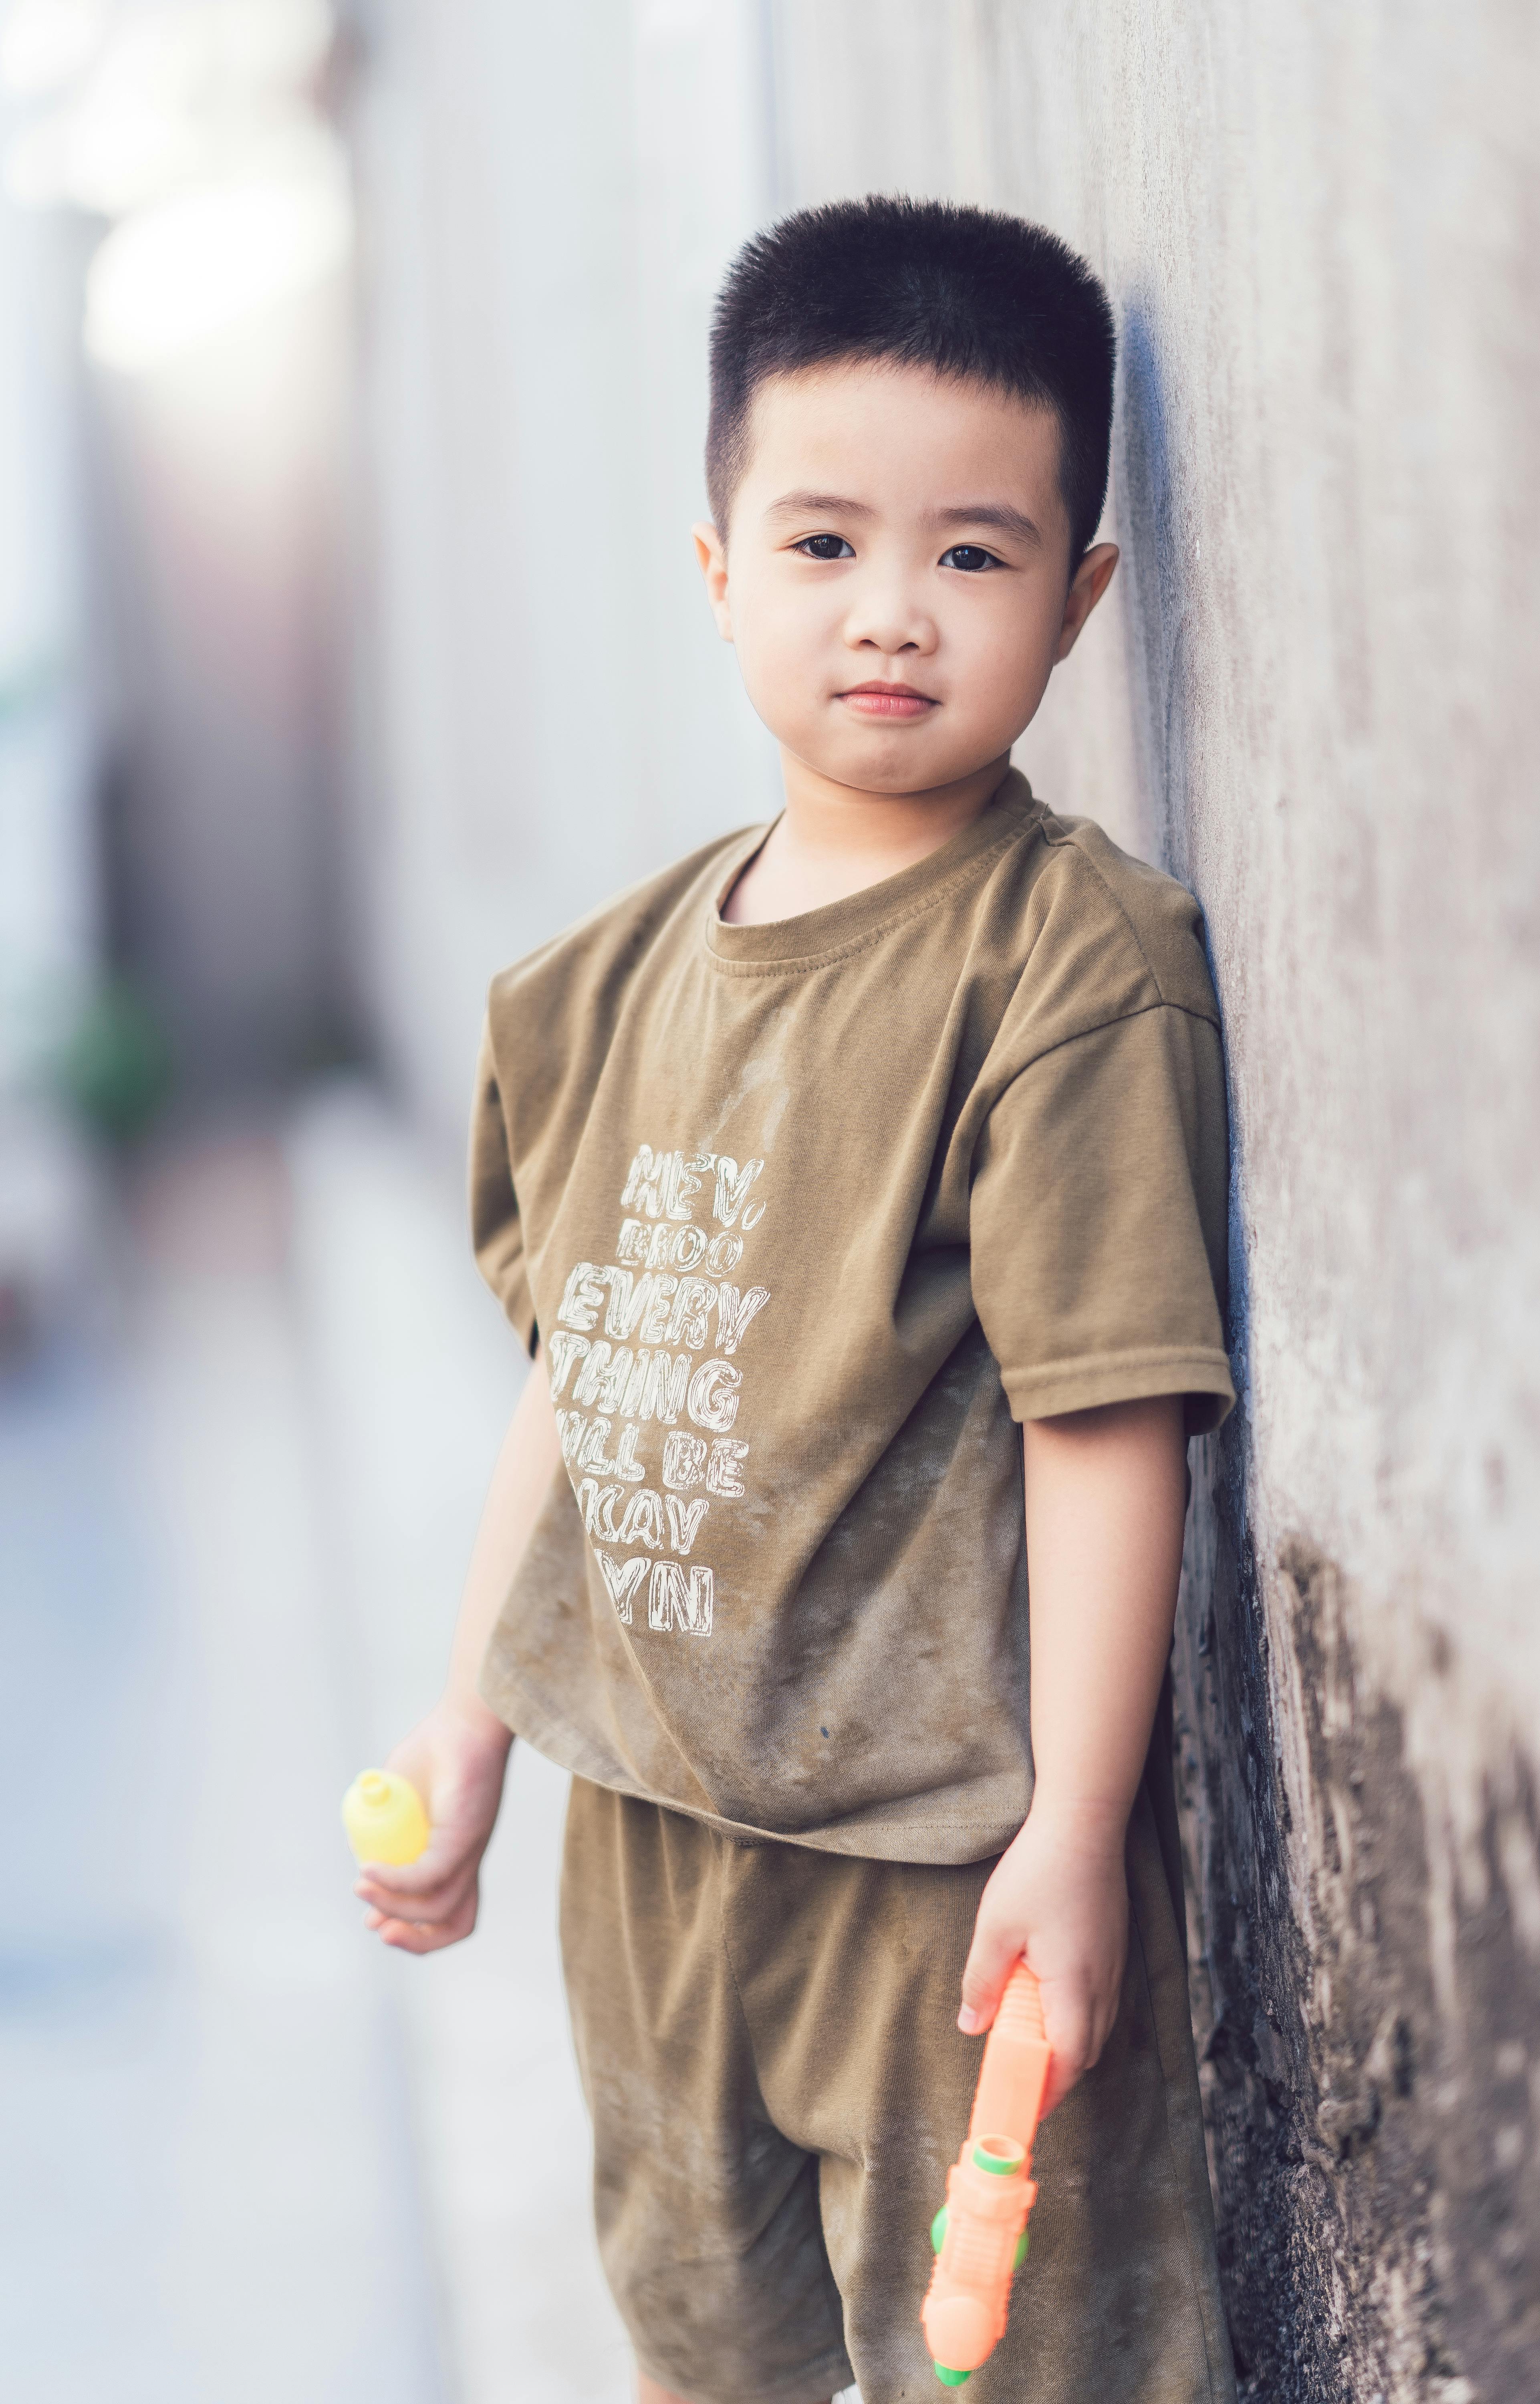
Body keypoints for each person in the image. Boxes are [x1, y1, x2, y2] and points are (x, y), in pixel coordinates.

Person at [355, 196, 1238, 2404]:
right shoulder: (607, 981)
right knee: (701, 2359)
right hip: (651, 1856)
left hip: (942, 1884)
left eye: (973, 554)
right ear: (719, 567)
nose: (892, 612)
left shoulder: (1063, 968)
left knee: (1010, 2363)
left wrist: (1074, 1834)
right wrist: (471, 1723)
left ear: (1079, 602)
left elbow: (1104, 1419)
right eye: (825, 541)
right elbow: (585, 1383)